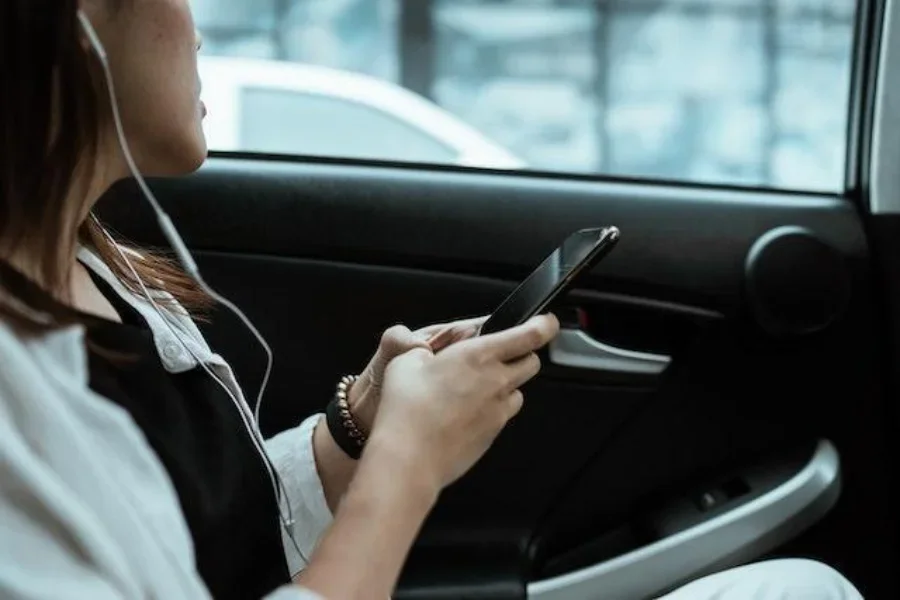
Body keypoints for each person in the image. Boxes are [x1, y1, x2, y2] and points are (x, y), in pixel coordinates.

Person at [0, 1, 864, 599]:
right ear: (74, 30)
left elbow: (211, 535)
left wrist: (358, 428)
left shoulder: (94, 260)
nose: (203, 24)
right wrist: (406, 465)